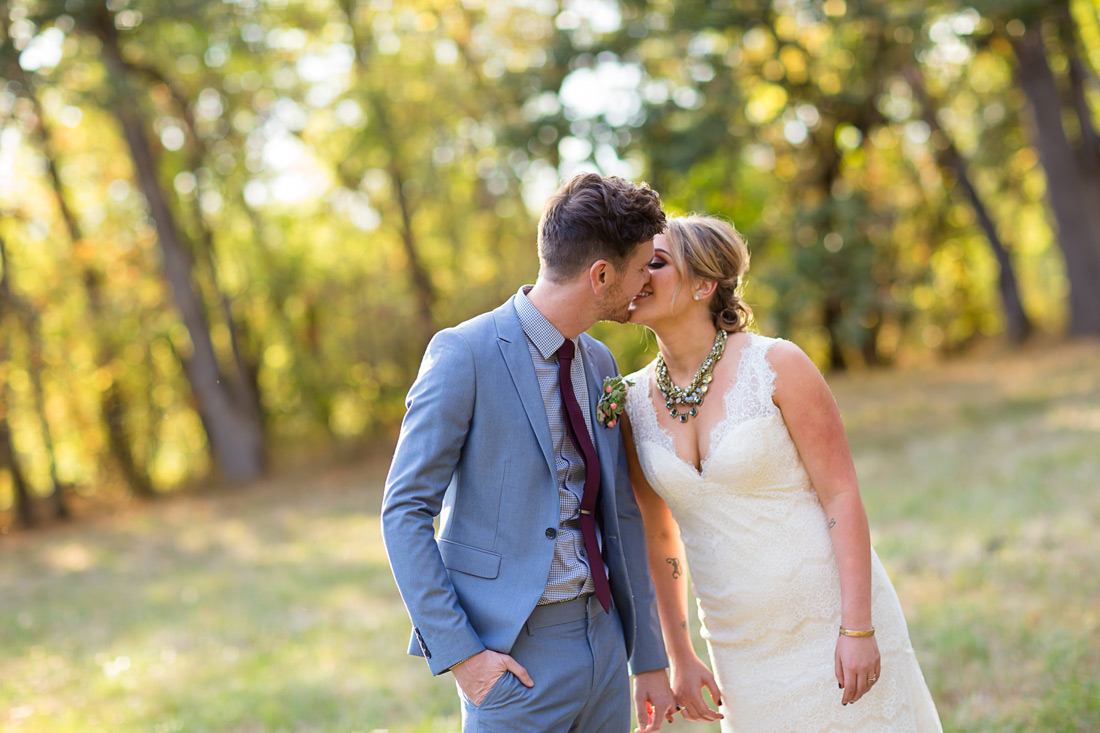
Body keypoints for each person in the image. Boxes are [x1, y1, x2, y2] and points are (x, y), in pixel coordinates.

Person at [381, 173, 679, 731]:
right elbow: (404, 511)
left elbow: (621, 514)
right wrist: (463, 656)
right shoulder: (463, 354)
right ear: (602, 275)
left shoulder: (600, 363)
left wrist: (648, 658)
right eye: (642, 267)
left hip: (607, 641)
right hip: (514, 659)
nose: (646, 281)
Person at [621, 215, 943, 731]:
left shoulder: (777, 364)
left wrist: (857, 627)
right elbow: (658, 534)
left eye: (655, 264)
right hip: (739, 644)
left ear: (705, 285)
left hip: (832, 622)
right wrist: (679, 654)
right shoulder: (631, 402)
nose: (636, 275)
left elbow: (841, 495)